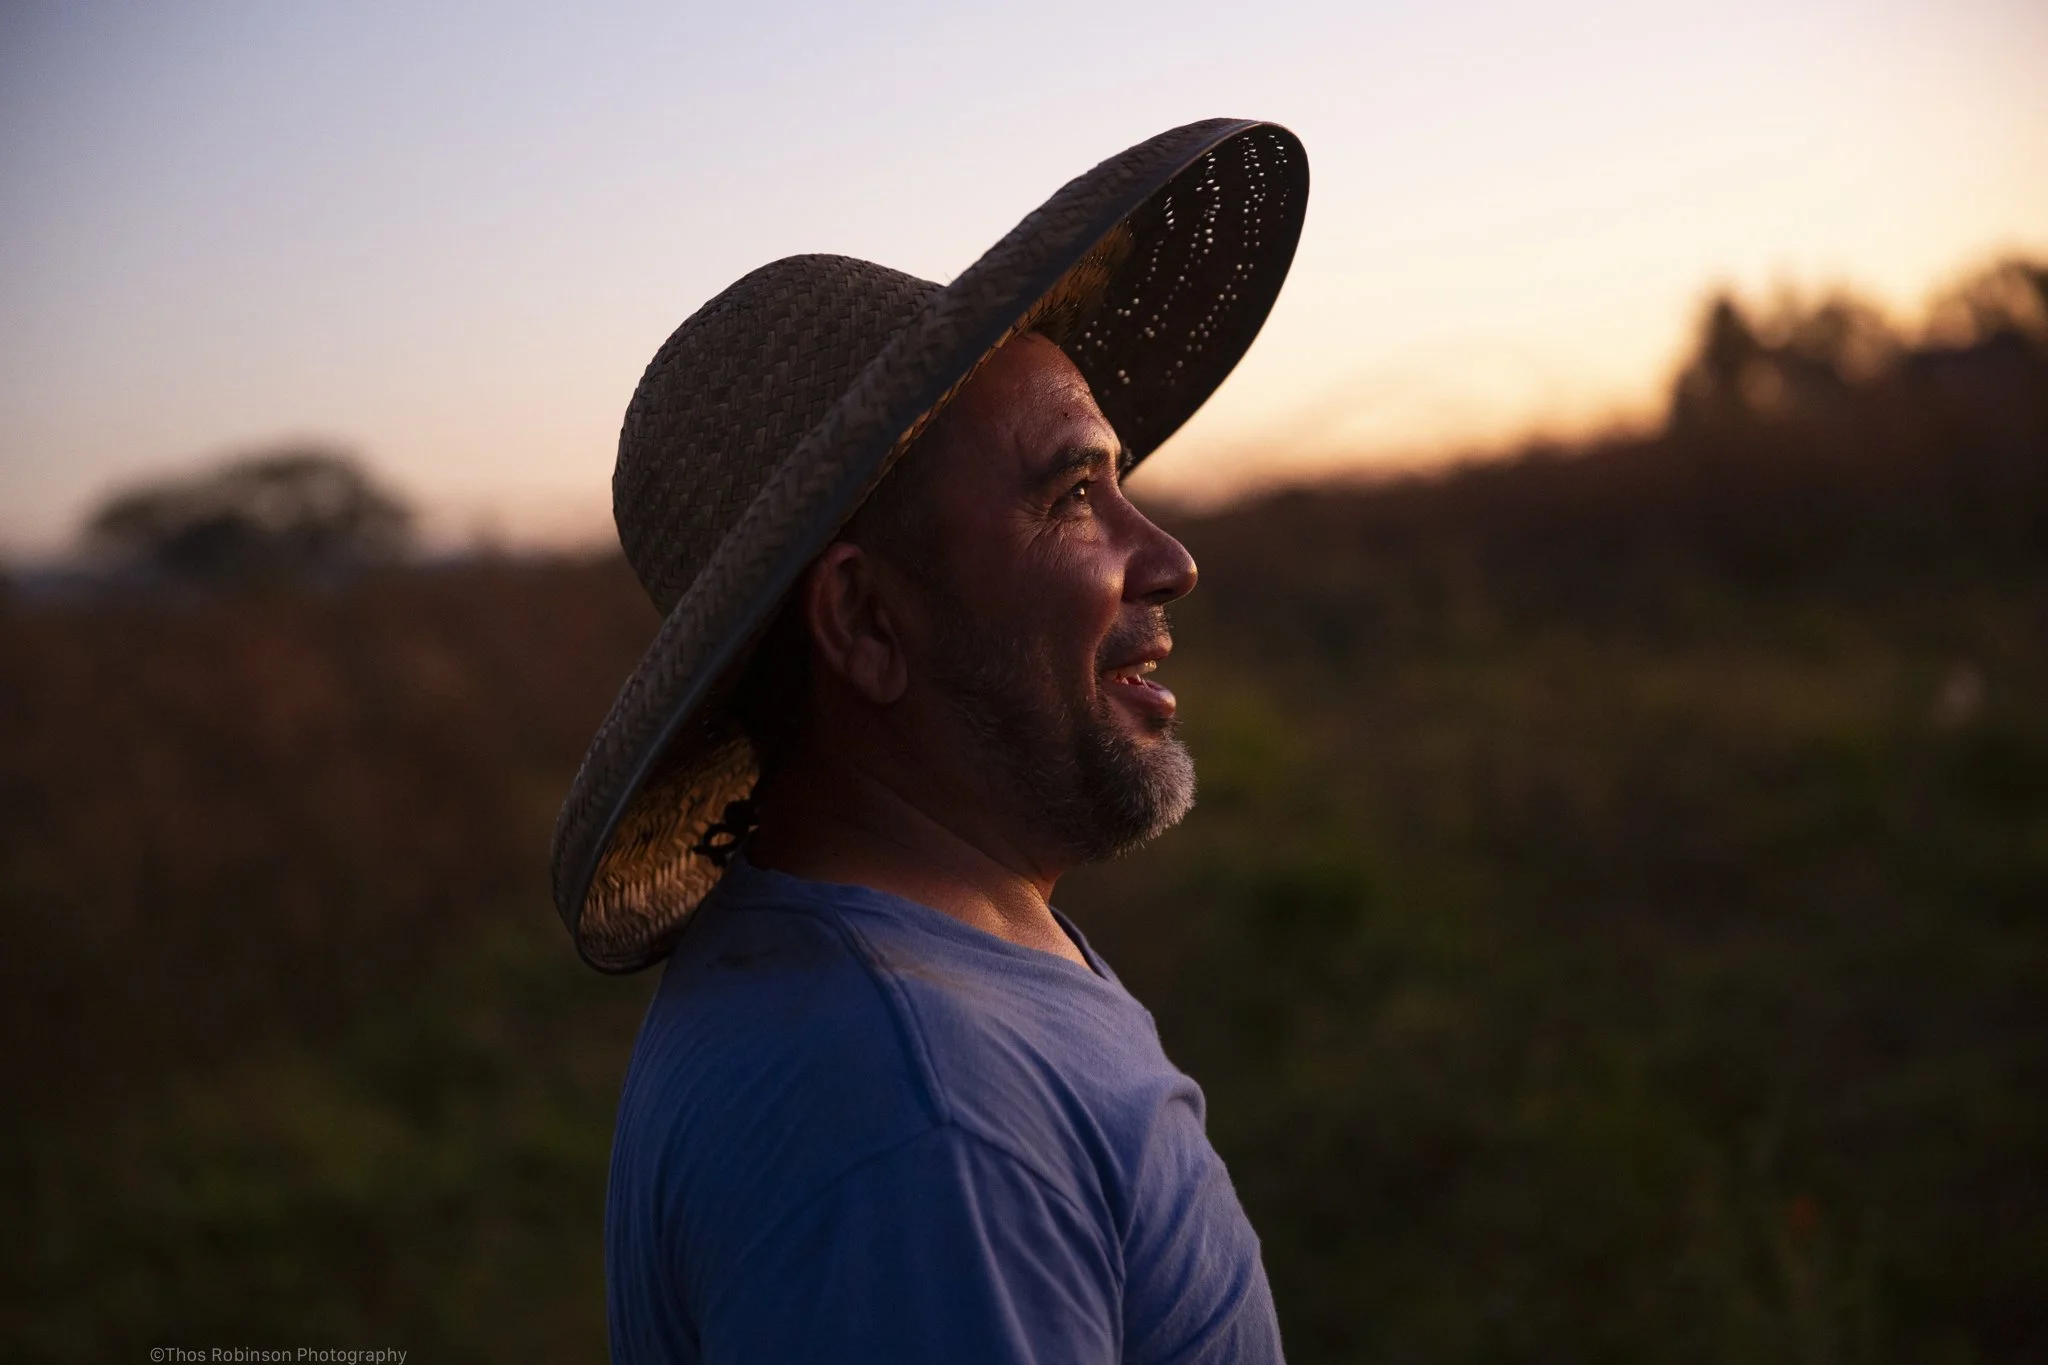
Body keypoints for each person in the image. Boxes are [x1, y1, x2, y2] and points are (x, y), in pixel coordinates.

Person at [551, 119, 1309, 1363]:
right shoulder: (924, 1127)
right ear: (863, 620)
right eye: (1071, 497)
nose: (1167, 560)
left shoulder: (939, 956)